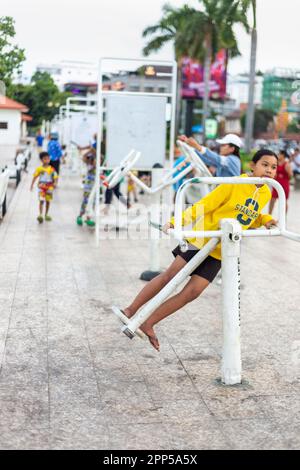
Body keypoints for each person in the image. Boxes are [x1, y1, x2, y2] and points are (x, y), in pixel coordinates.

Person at [116, 149, 278, 351]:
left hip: (220, 250)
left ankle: (149, 322)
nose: (269, 170)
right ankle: (131, 310)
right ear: (252, 166)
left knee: (192, 292)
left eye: (273, 167)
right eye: (265, 164)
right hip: (202, 240)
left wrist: (266, 220)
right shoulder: (234, 184)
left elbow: (250, 216)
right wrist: (176, 222)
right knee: (170, 277)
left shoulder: (266, 191)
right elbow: (204, 205)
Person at [30, 152, 58, 224]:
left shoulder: (52, 169)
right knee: (41, 201)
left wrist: (55, 183)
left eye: (48, 159)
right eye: (45, 159)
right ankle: (40, 215)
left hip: (49, 186)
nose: (47, 160)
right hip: (41, 186)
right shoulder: (39, 169)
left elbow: (55, 177)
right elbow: (35, 177)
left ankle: (46, 214)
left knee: (48, 201)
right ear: (41, 160)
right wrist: (32, 185)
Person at [269, 150, 292, 214]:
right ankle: (269, 214)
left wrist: (283, 177)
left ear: (283, 155)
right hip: (276, 183)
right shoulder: (276, 163)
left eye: (279, 154)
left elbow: (290, 175)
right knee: (272, 200)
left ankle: (284, 217)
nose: (278, 155)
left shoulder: (286, 164)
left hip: (284, 184)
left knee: (284, 201)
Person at [77, 152, 96, 227]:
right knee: (85, 202)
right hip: (88, 187)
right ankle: (80, 216)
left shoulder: (97, 166)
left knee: (93, 203)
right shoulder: (89, 165)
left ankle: (88, 218)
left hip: (94, 187)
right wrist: (90, 151)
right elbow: (84, 158)